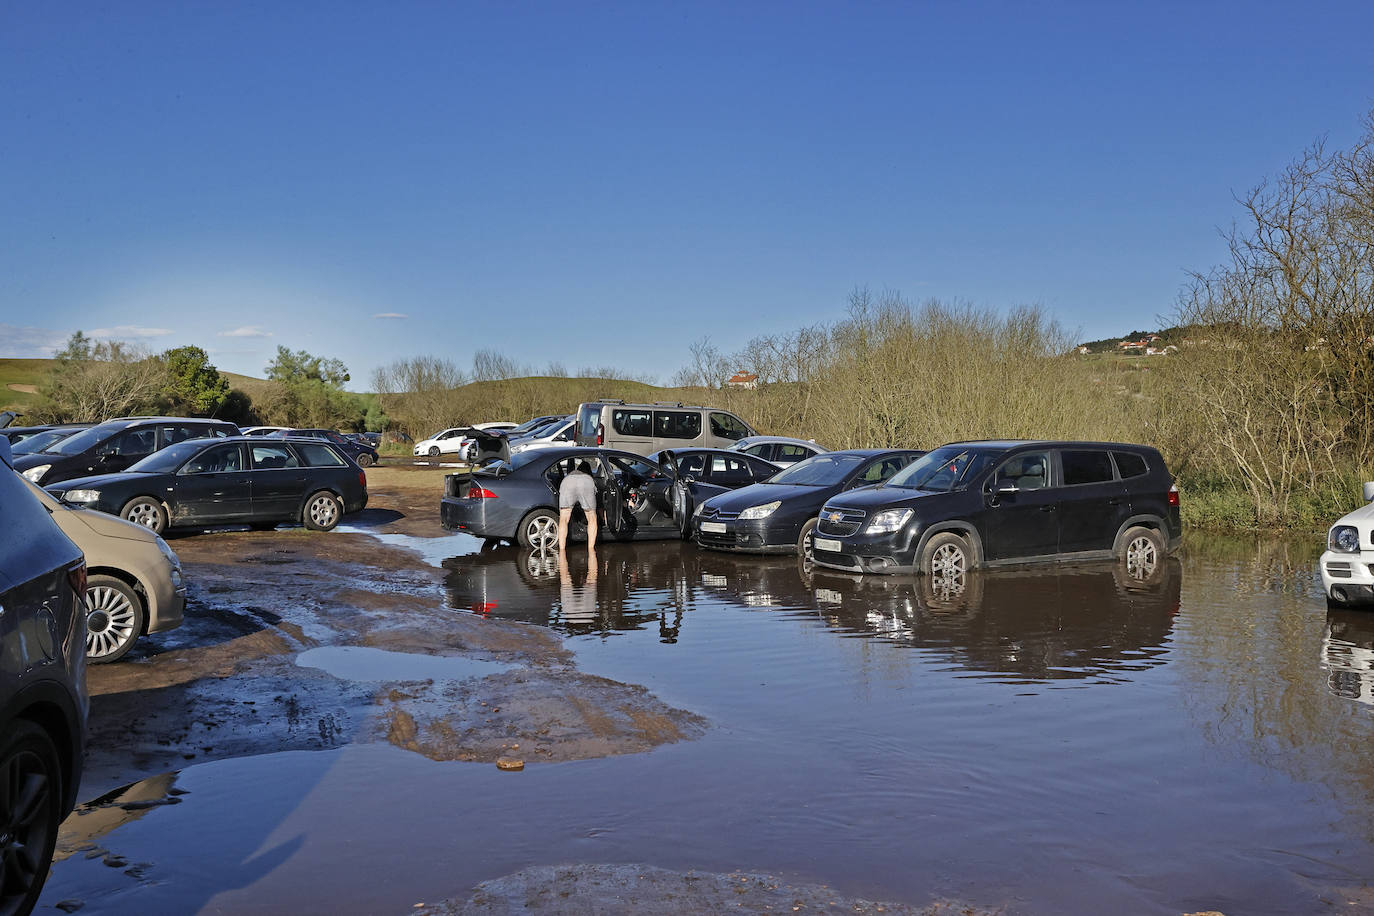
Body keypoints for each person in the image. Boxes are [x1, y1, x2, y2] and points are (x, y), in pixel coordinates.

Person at [557, 459, 598, 551]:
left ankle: (562, 550)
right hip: (586, 483)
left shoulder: (568, 476)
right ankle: (591, 549)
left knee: (563, 519)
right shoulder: (588, 477)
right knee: (592, 518)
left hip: (567, 482)